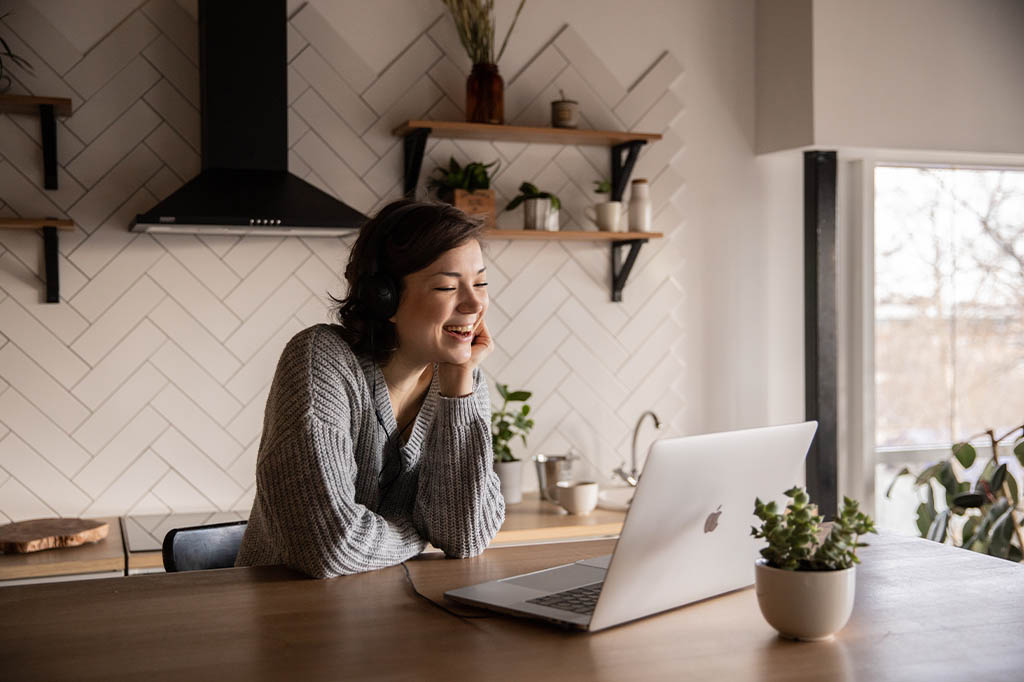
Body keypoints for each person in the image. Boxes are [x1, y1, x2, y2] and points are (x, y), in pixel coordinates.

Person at [235, 199, 505, 578]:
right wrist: (418, 530)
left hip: (392, 614)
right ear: (385, 298)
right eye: (447, 286)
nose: (475, 303)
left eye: (480, 282)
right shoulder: (321, 359)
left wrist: (459, 390)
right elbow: (329, 546)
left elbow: (464, 537)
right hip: (288, 617)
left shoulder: (463, 382)